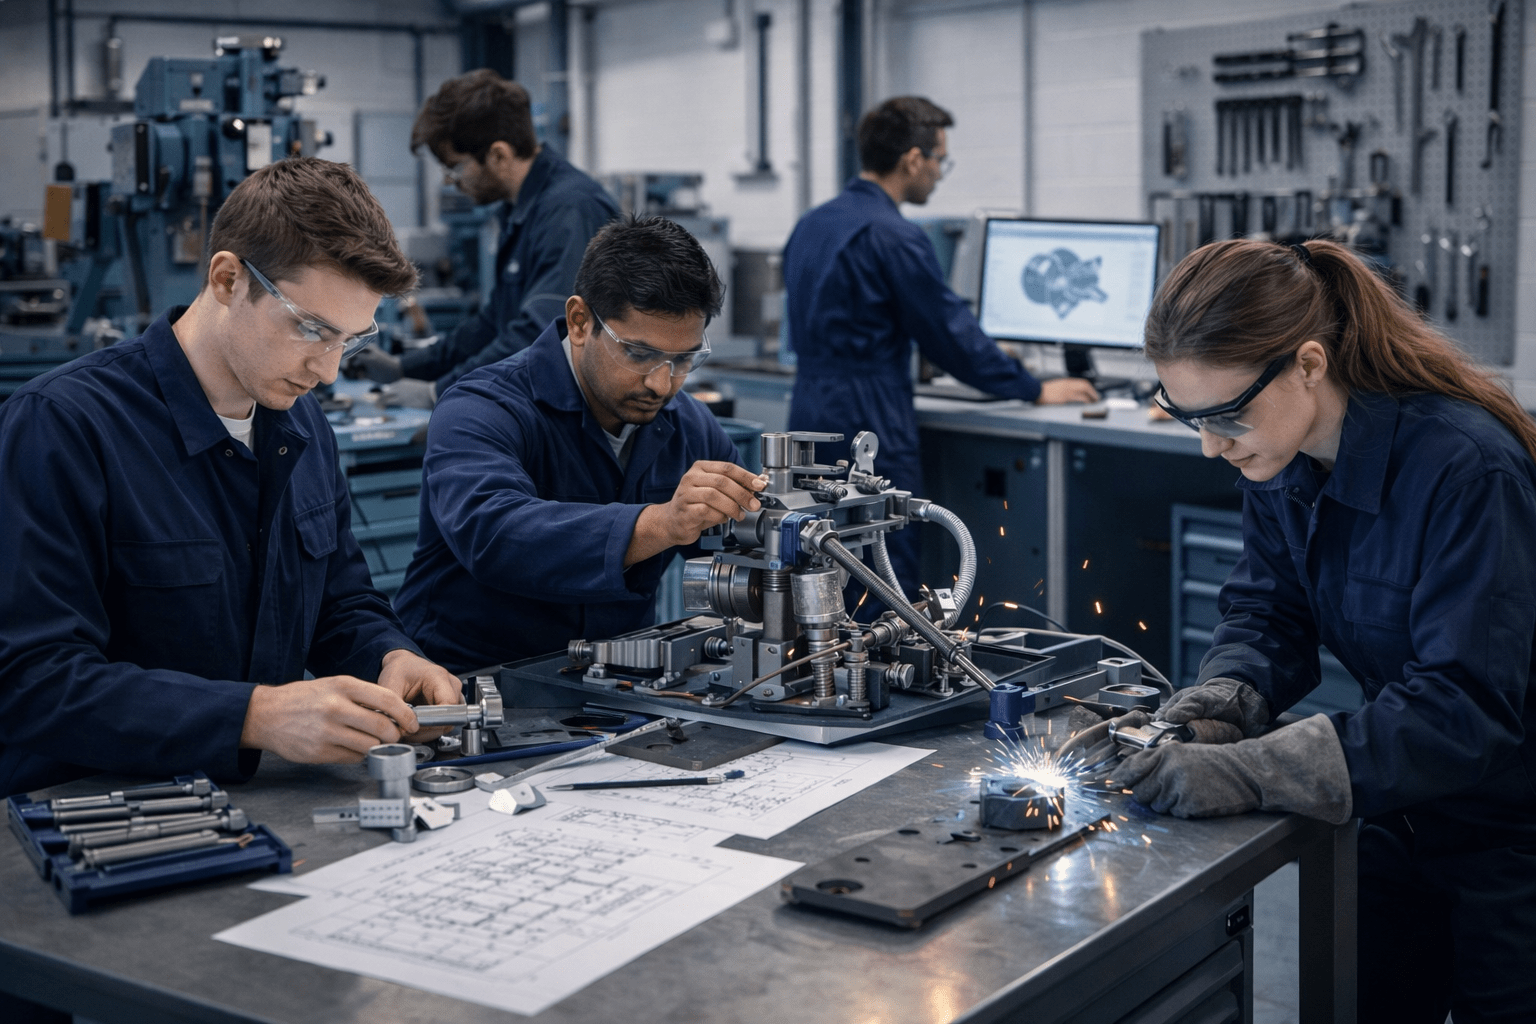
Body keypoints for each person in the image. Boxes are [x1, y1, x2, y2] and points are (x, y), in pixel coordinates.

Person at [1119, 237, 1536, 1022]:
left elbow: (1463, 710)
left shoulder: (1466, 469)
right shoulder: (1277, 457)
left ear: (1308, 364)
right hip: (1399, 806)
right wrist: (1227, 699)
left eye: (1228, 415)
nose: (1212, 445)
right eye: (1188, 418)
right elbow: (1271, 609)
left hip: (1513, 830)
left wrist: (1252, 770)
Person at [0, 158, 464, 799]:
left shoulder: (302, 426)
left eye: (350, 342)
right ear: (226, 279)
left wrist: (387, 655)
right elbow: (32, 679)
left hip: (251, 807)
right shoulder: (63, 428)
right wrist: (255, 716)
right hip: (83, 810)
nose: (328, 372)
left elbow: (340, 603)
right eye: (312, 329)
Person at [394, 216, 765, 672]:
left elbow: (738, 550)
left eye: (683, 359)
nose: (662, 383)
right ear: (579, 322)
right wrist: (660, 523)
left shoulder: (687, 425)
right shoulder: (481, 407)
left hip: (615, 683)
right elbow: (494, 534)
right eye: (640, 353)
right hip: (467, 681)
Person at [783, 96, 1098, 597]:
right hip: (870, 414)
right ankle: (882, 672)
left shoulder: (812, 223)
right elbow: (951, 338)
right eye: (939, 160)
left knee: (820, 561)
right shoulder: (895, 235)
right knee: (880, 561)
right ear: (913, 159)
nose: (938, 174)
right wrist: (1034, 388)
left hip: (809, 410)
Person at [348, 70, 619, 408]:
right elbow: (493, 324)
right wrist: (405, 367)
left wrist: (440, 391)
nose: (452, 182)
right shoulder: (519, 210)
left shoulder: (569, 210)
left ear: (499, 155)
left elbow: (543, 333)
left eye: (455, 168)